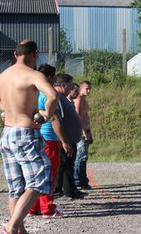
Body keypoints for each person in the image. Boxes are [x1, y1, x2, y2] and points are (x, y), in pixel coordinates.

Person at [0, 40, 58, 234]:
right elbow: (53, 95)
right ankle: (13, 226)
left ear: (16, 54)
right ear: (35, 54)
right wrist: (46, 115)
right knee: (39, 179)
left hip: (7, 133)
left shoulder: (3, 76)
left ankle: (20, 230)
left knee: (16, 187)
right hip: (25, 133)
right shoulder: (33, 74)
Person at [29, 64, 71, 218]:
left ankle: (33, 207)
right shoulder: (49, 94)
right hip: (50, 140)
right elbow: (54, 119)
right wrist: (64, 141)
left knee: (36, 174)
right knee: (49, 174)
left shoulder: (33, 92)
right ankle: (48, 208)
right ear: (51, 77)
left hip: (36, 138)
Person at [54, 74, 85, 199]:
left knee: (68, 165)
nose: (72, 87)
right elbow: (58, 120)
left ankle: (70, 190)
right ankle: (60, 190)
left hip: (69, 139)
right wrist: (64, 141)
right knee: (64, 165)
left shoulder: (62, 98)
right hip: (66, 139)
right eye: (71, 85)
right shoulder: (59, 99)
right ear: (63, 85)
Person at [74, 81, 93, 189]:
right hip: (81, 132)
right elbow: (77, 117)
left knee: (83, 156)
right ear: (81, 88)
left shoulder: (84, 100)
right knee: (81, 157)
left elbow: (86, 117)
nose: (89, 91)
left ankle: (81, 179)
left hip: (85, 130)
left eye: (90, 88)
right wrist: (83, 132)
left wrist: (89, 131)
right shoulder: (79, 100)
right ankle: (78, 180)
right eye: (87, 88)